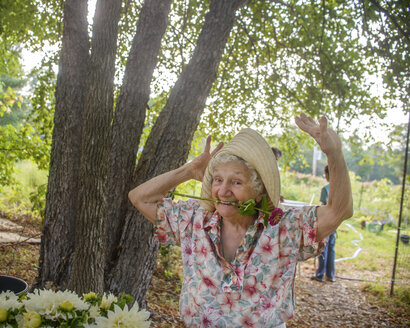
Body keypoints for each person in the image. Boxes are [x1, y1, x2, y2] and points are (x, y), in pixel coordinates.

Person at [129, 113, 353, 327]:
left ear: (258, 193)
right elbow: (140, 197)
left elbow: (338, 211)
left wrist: (334, 154)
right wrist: (189, 170)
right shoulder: (193, 220)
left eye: (236, 182)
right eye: (217, 180)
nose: (223, 191)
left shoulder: (284, 227)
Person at [312, 165, 337, 282]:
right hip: (336, 221)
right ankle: (330, 275)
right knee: (331, 248)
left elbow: (325, 207)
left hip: (327, 221)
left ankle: (320, 274)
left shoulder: (326, 189)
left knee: (323, 247)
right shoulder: (340, 189)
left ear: (328, 174)